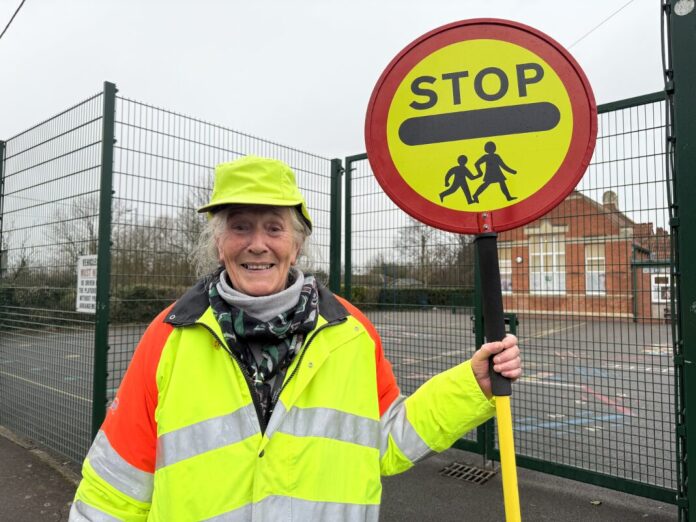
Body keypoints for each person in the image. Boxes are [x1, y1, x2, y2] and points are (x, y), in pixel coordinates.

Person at [69, 155, 521, 521]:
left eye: (274, 227)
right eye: (240, 226)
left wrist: (470, 387)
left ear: (297, 242)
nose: (257, 244)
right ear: (218, 241)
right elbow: (114, 486)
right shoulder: (168, 336)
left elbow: (385, 441)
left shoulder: (349, 332)